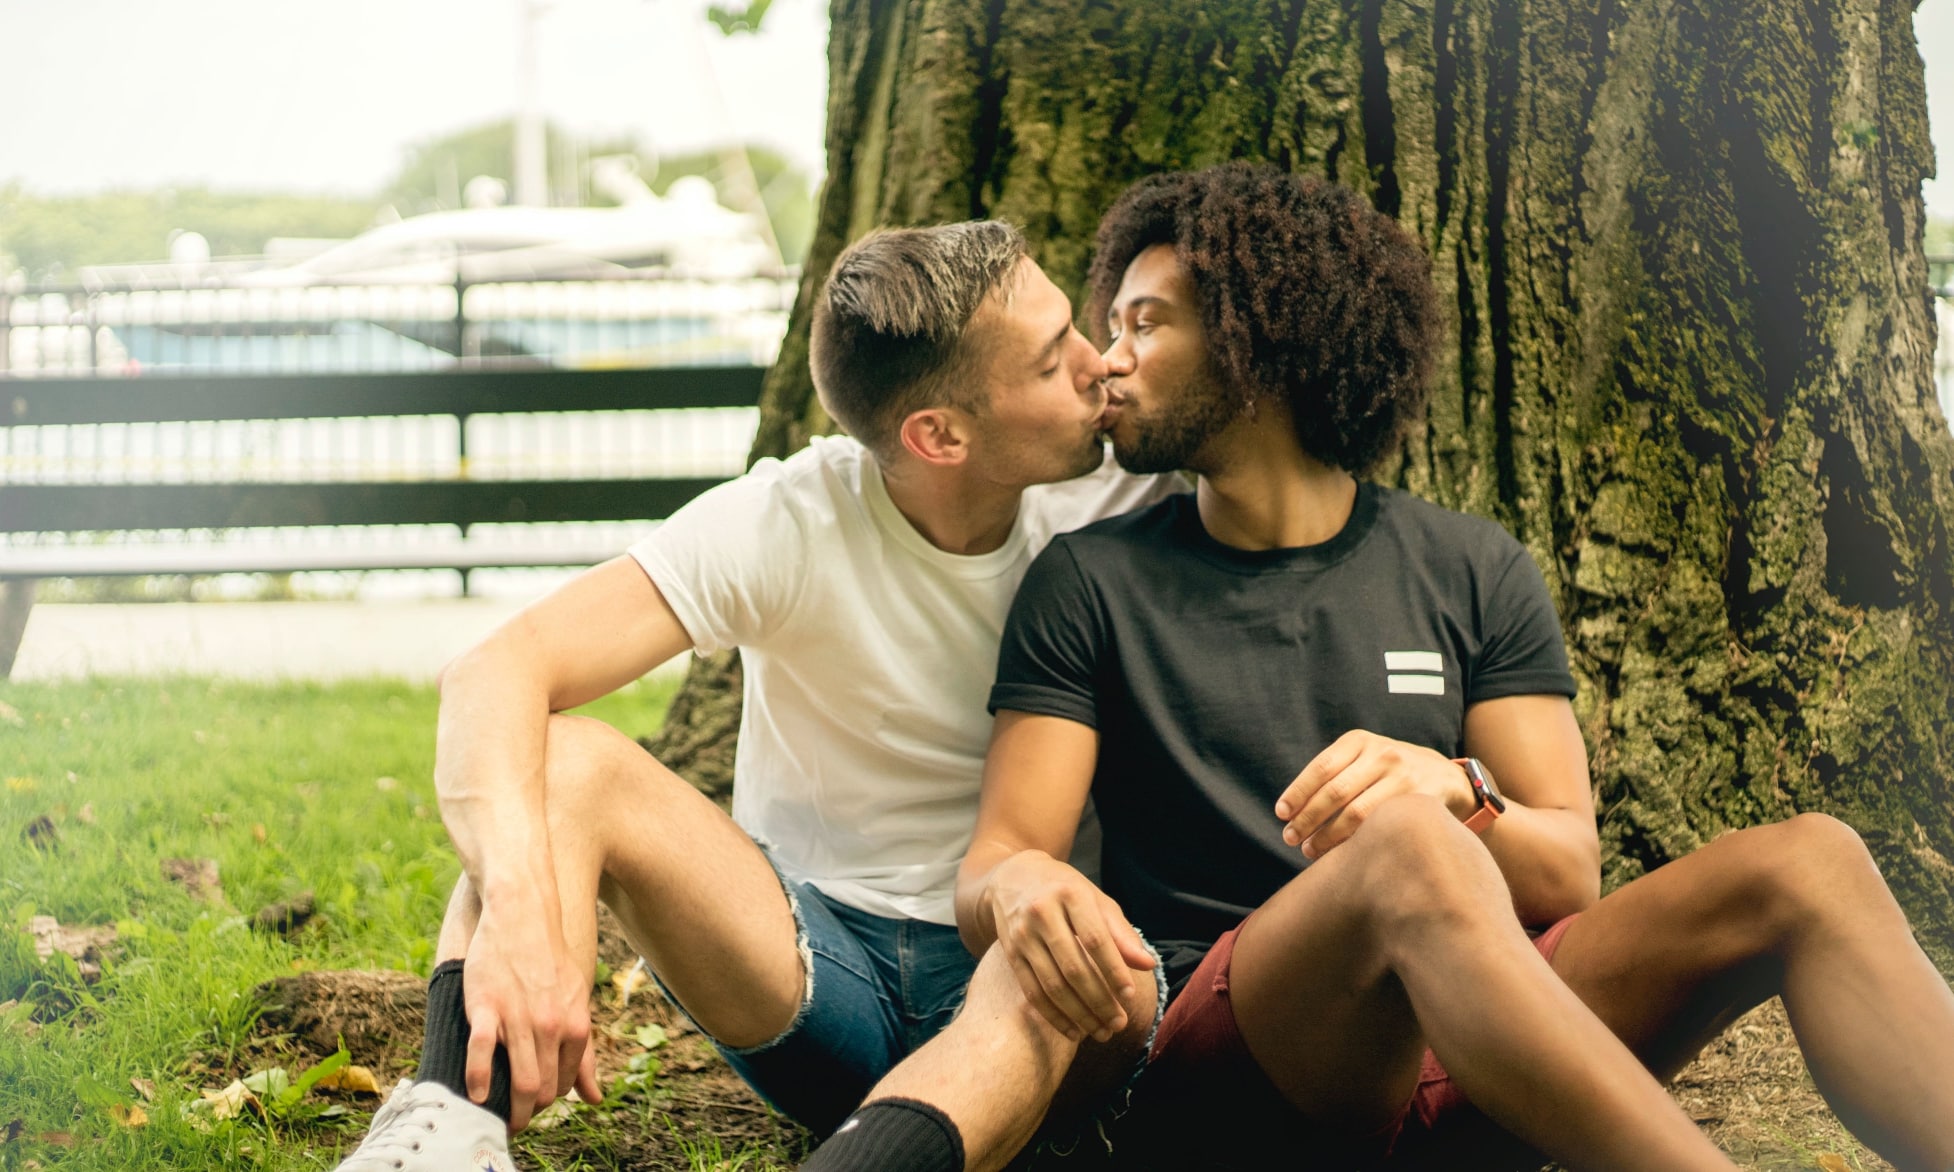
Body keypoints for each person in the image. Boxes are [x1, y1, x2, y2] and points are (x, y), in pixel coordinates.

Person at [821, 165, 1954, 1172]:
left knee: (1810, 860)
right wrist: (1019, 883)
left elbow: (1565, 873)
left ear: (1257, 339)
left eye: (1145, 322)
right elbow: (1000, 856)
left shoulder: (1468, 565)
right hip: (1250, 1058)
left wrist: (1460, 787)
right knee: (1406, 851)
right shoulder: (1091, 582)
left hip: (1484, 1046)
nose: (1107, 362)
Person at [331, 220, 1185, 1172]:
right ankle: (449, 1127)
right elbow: (497, 670)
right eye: (1047, 360)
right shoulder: (794, 518)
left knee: (1059, 968)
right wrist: (523, 912)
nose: (1096, 364)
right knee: (568, 761)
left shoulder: (1116, 500)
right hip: (813, 973)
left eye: (1075, 328)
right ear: (937, 435)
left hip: (1018, 977)